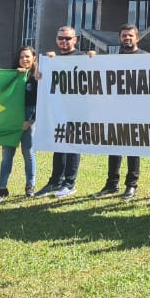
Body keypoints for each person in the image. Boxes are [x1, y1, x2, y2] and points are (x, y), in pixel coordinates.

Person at [34, 25, 93, 198]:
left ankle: (70, 183)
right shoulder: (53, 60)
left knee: (73, 145)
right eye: (61, 38)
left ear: (75, 40)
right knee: (58, 145)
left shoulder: (83, 57)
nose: (64, 41)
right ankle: (55, 182)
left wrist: (94, 58)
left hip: (78, 111)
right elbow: (41, 79)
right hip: (58, 111)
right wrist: (40, 69)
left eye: (68, 38)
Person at [95, 24, 143, 199]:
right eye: (124, 36)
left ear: (137, 38)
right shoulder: (113, 59)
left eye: (130, 35)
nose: (127, 38)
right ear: (119, 38)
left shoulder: (147, 58)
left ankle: (131, 185)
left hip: (137, 112)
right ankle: (111, 184)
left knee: (132, 149)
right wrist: (91, 58)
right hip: (115, 111)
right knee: (114, 147)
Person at [0, 45, 38, 202]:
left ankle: (30, 187)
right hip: (11, 118)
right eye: (21, 57)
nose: (24, 59)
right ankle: (2, 189)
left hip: (29, 117)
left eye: (27, 56)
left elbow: (42, 101)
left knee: (28, 152)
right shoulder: (12, 76)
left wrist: (31, 120)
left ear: (34, 58)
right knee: (7, 155)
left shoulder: (37, 77)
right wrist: (15, 75)